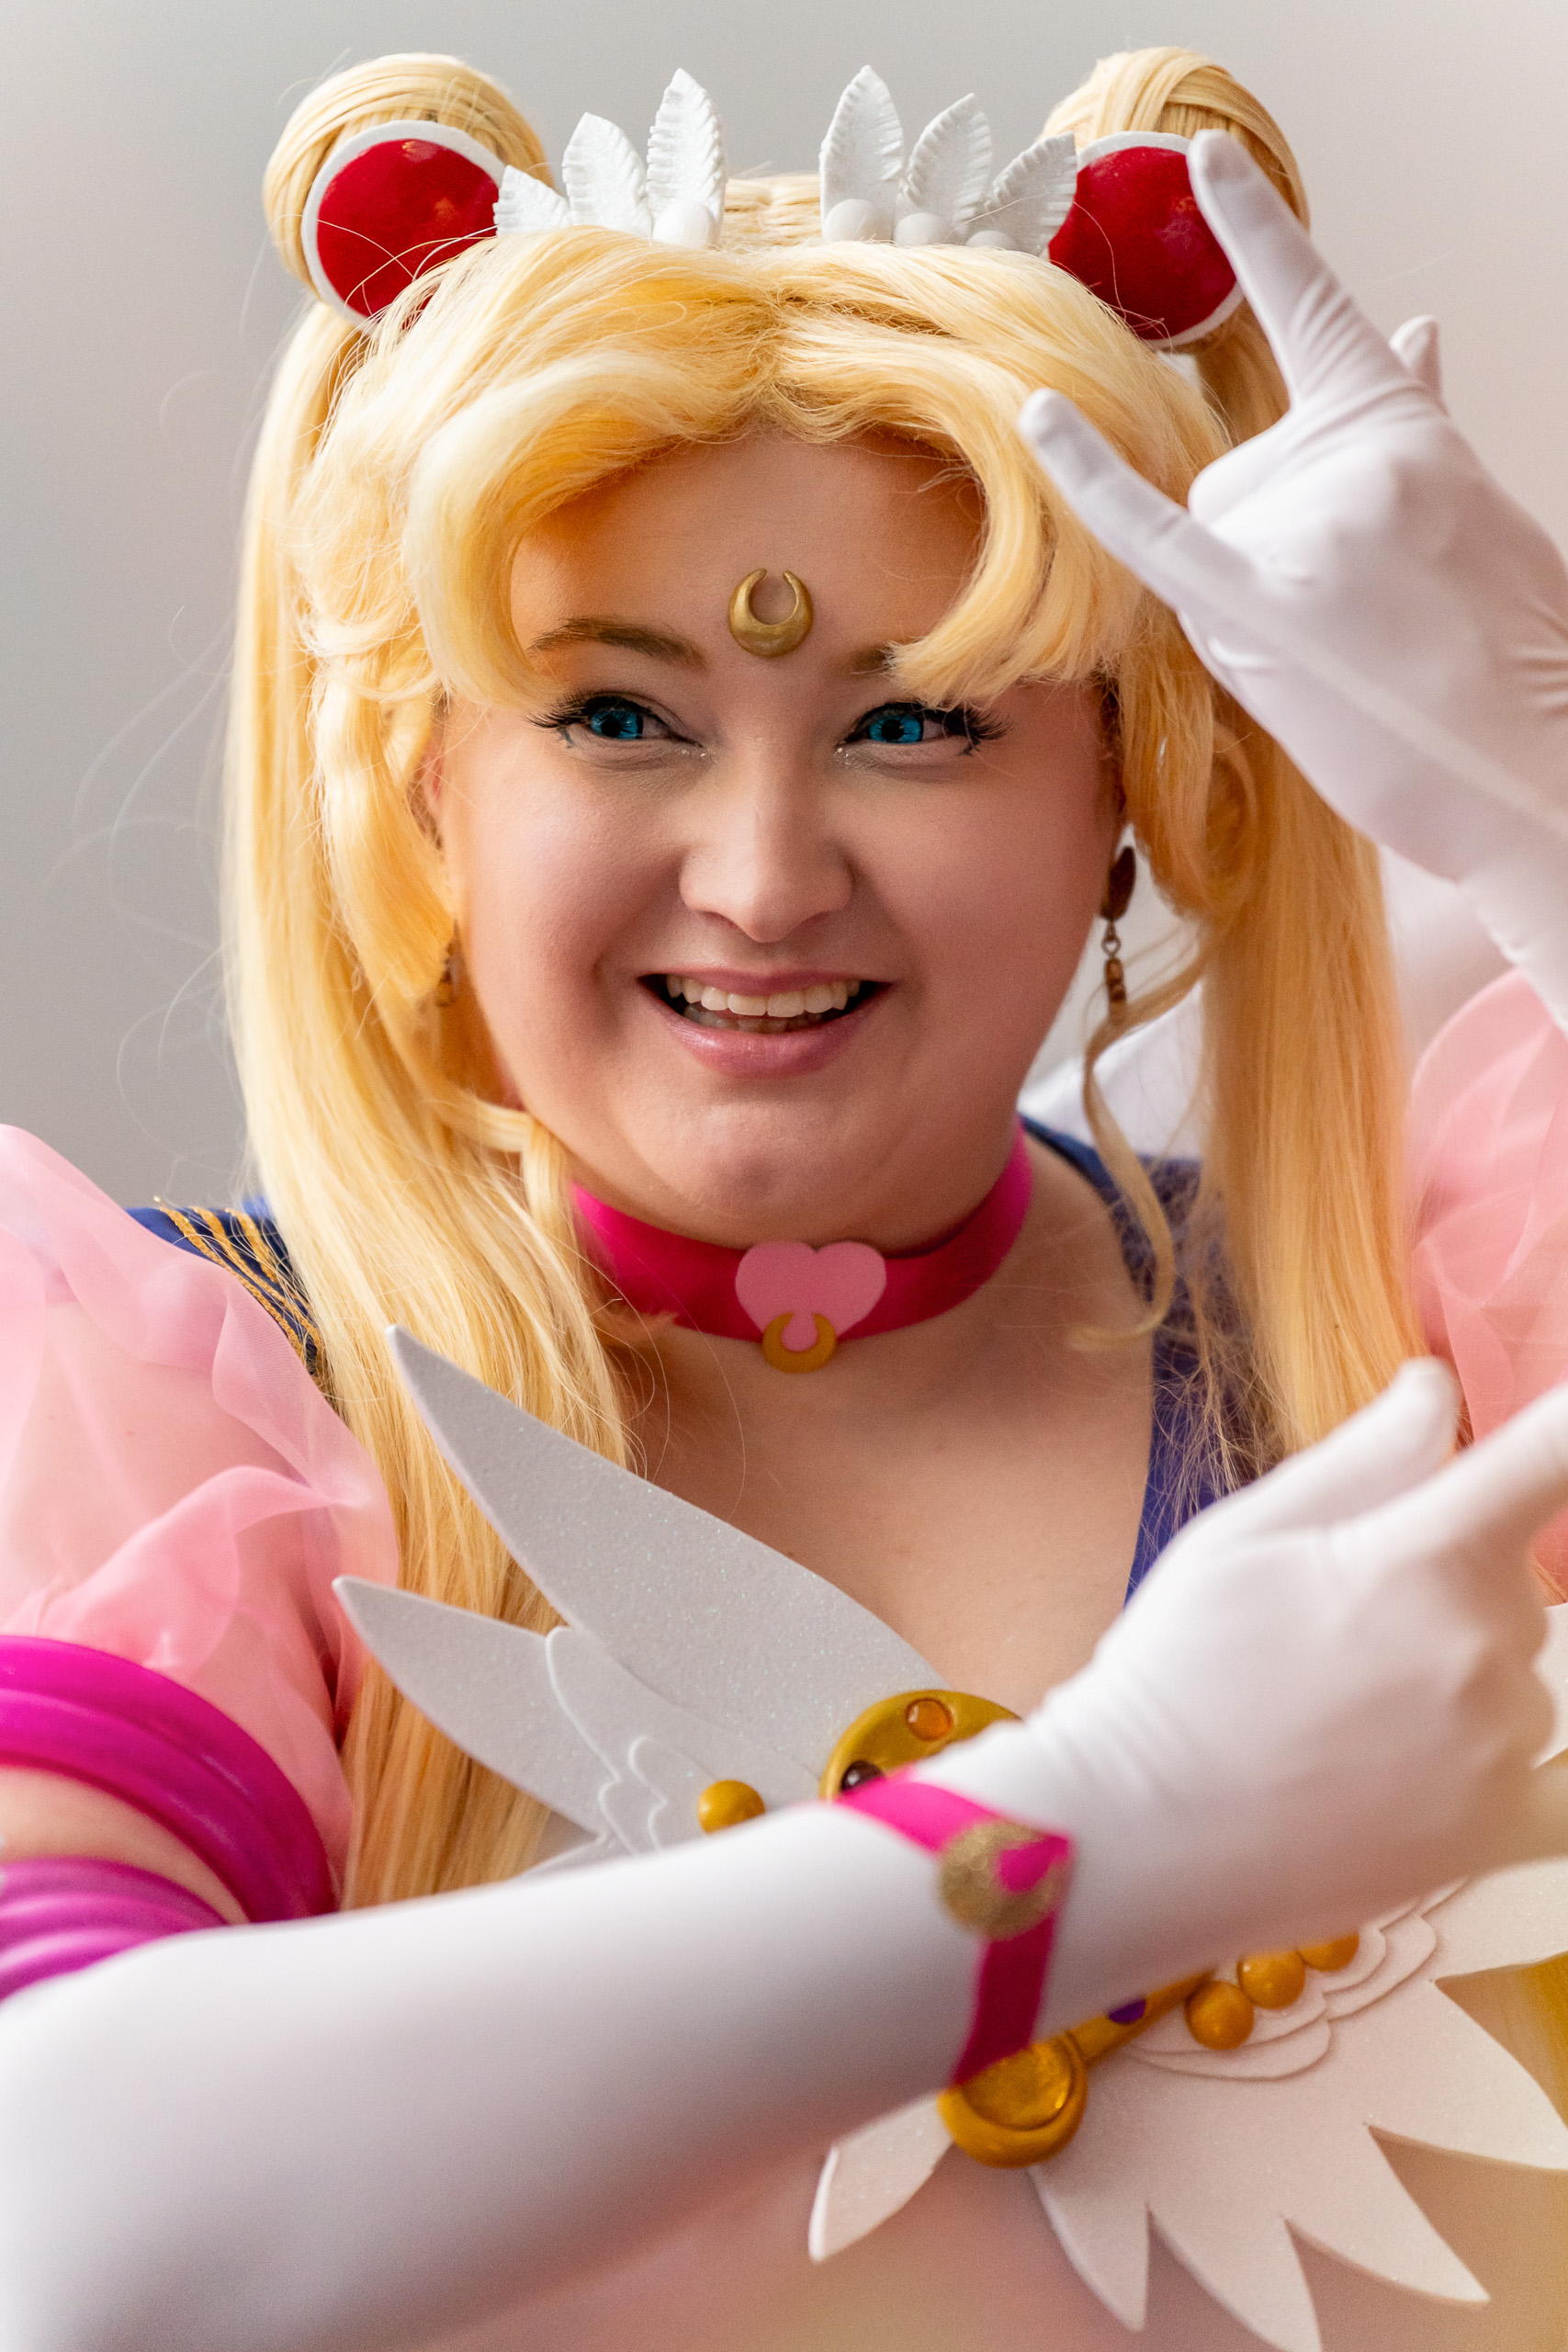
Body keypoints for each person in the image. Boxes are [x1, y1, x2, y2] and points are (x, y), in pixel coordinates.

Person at [1, 41, 1567, 2352]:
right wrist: (1091, 1834)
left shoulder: (1429, 1306)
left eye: (916, 717)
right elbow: (48, 2214)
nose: (759, 878)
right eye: (614, 717)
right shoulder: (202, 1417)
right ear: (421, 789)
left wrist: (1545, 784)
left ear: (1125, 790)